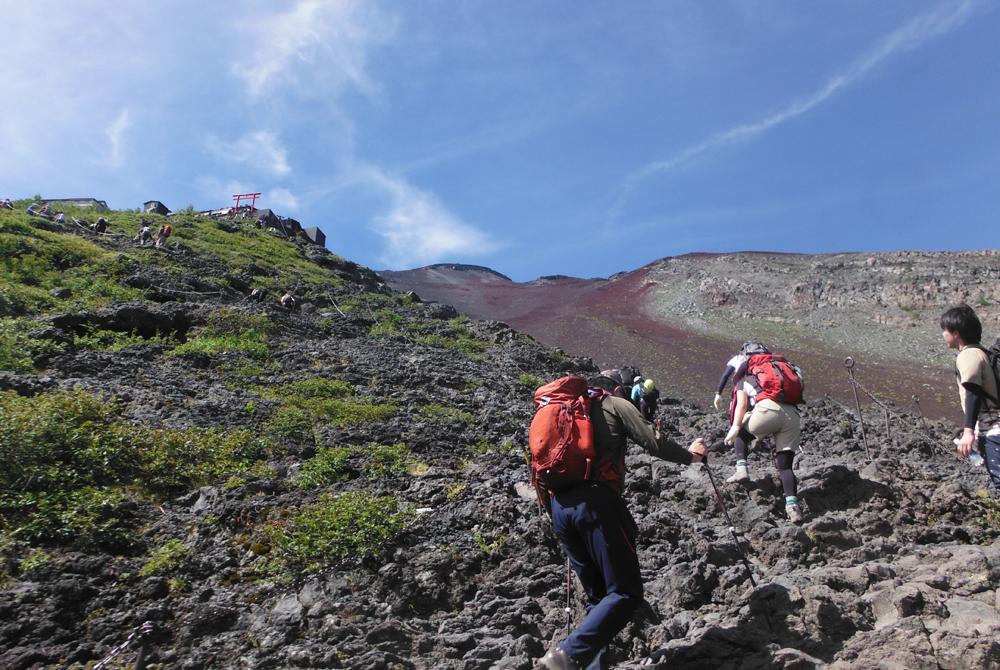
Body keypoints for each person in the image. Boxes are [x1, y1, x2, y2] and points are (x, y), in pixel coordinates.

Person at [537, 377, 707, 670]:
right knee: (625, 592)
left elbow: (540, 467)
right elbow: (653, 442)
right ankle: (567, 654)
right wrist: (691, 457)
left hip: (560, 509)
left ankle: (587, 664)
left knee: (599, 598)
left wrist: (557, 519)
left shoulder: (557, 413)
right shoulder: (613, 403)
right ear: (617, 388)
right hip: (596, 504)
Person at [722, 344, 805, 523]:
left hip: (767, 411)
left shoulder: (747, 376)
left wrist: (735, 427)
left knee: (741, 431)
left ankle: (741, 469)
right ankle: (793, 507)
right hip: (793, 415)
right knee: (785, 467)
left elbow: (742, 405)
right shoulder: (781, 369)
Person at [941, 304, 1000, 495]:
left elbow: (973, 391)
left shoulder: (968, 355)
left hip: (993, 431)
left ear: (956, 333)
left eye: (945, 330)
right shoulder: (984, 354)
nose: (943, 334)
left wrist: (968, 432)